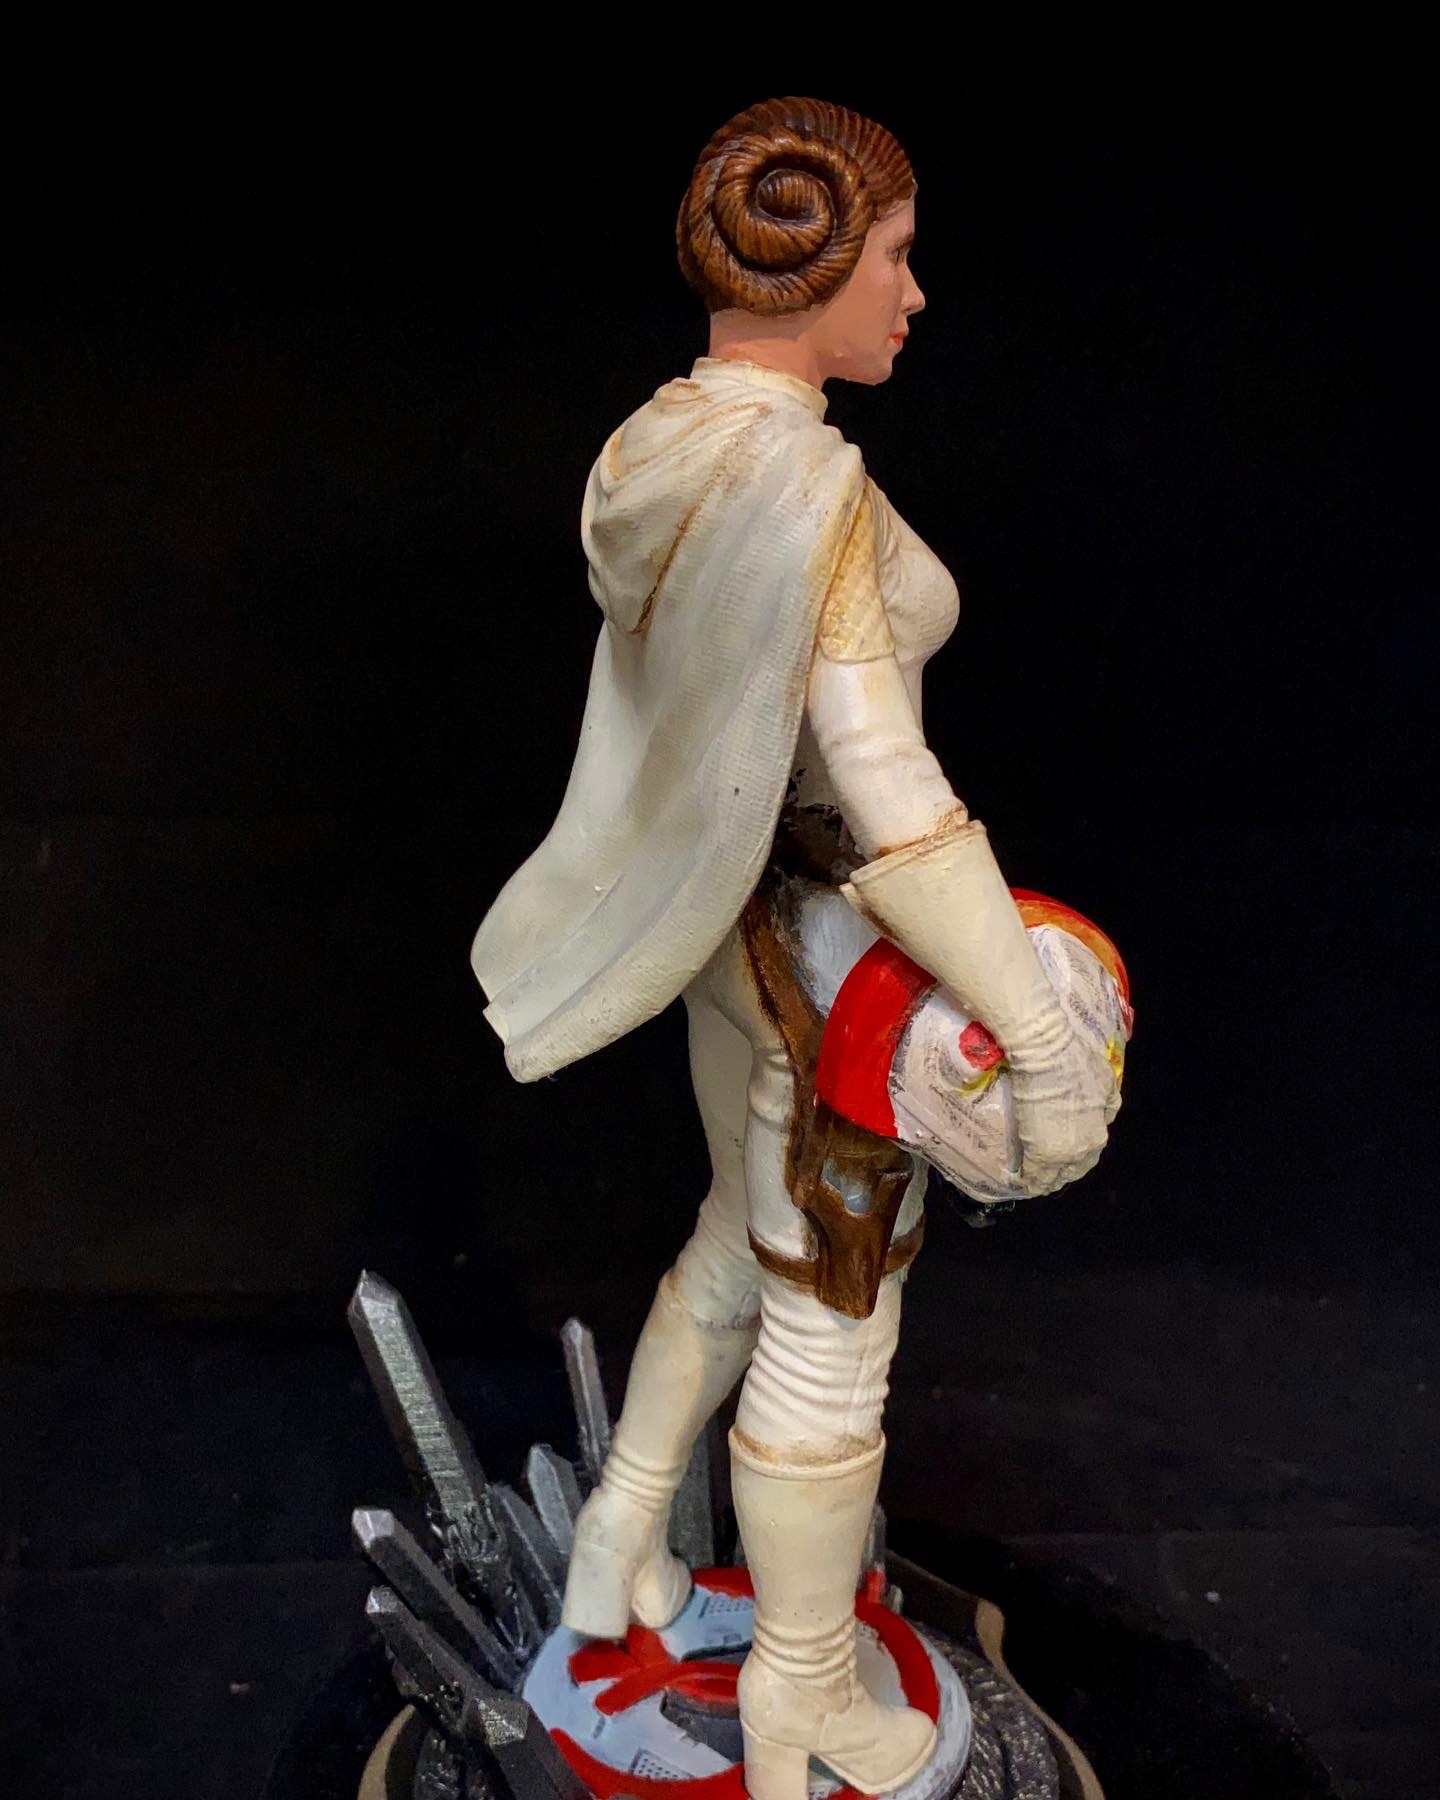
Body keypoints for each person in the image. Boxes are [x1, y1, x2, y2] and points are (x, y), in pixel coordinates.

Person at [471, 96, 1115, 1800]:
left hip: (726, 927)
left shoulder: (653, 447)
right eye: (893, 257)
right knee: (836, 1313)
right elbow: (888, 793)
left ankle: (615, 1538)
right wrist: (1039, 1036)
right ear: (813, 265)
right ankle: (803, 1697)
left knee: (734, 1242)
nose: (912, 293)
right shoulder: (807, 488)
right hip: (826, 959)